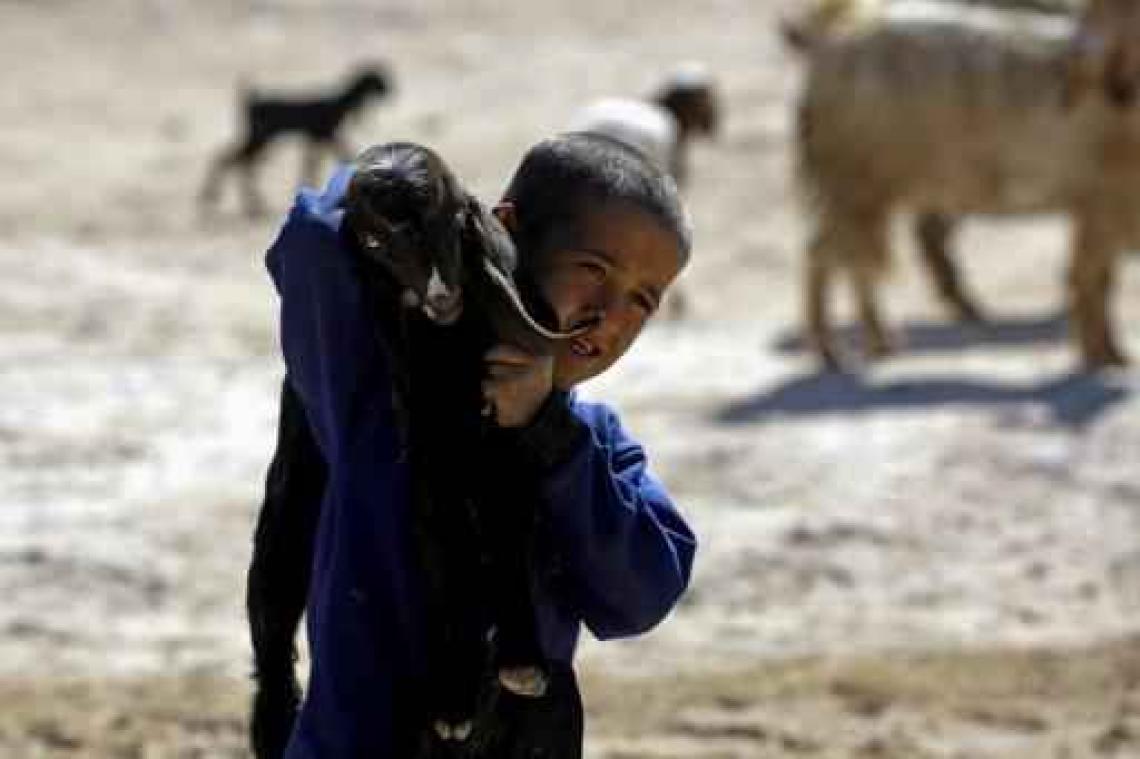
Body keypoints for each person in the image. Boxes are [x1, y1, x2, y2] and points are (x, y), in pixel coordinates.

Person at [250, 132, 697, 757]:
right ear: (505, 233)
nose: (610, 315)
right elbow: (315, 235)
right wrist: (440, 220)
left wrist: (544, 431)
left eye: (643, 301)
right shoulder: (373, 393)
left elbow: (642, 594)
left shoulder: (589, 443)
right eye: (594, 271)